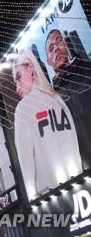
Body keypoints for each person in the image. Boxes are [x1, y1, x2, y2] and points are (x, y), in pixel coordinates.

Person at [13, 49, 81, 200]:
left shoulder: (23, 108)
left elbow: (26, 163)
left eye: (18, 77)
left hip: (49, 197)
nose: (17, 87)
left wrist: (32, 198)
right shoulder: (58, 100)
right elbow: (74, 143)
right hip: (78, 185)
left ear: (30, 68)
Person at [45, 29, 91, 168]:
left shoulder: (88, 70)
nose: (56, 49)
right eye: (51, 48)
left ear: (65, 44)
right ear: (48, 61)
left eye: (58, 40)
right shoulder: (52, 99)